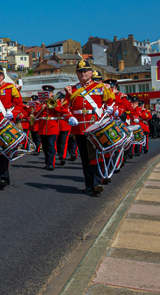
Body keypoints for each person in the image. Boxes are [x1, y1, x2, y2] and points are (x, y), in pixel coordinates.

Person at [63, 61, 115, 196]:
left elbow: (110, 103)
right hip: (80, 128)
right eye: (80, 71)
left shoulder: (101, 88)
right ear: (77, 74)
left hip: (96, 127)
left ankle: (97, 182)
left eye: (85, 71)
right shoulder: (72, 90)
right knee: (85, 158)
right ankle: (89, 184)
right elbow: (64, 107)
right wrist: (69, 117)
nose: (83, 73)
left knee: (97, 155)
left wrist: (111, 109)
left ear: (91, 73)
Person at [34, 85, 61, 171]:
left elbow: (60, 110)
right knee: (45, 147)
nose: (48, 94)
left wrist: (52, 105)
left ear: (52, 93)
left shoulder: (56, 101)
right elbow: (35, 113)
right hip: (42, 127)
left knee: (50, 146)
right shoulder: (40, 102)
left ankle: (51, 164)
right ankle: (47, 162)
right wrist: (41, 108)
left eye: (49, 93)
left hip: (52, 126)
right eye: (45, 93)